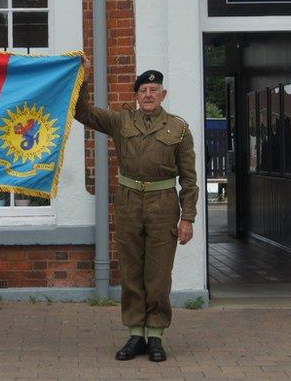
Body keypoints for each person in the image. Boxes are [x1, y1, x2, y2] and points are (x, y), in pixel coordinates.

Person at [75, 62, 199, 362]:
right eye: (143, 90)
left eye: (153, 90)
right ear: (137, 96)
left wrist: (188, 217)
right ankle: (135, 334)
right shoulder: (121, 121)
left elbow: (189, 178)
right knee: (131, 271)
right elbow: (84, 113)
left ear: (163, 93)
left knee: (158, 273)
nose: (148, 94)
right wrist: (83, 78)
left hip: (163, 204)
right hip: (129, 202)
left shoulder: (178, 128)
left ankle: (155, 336)